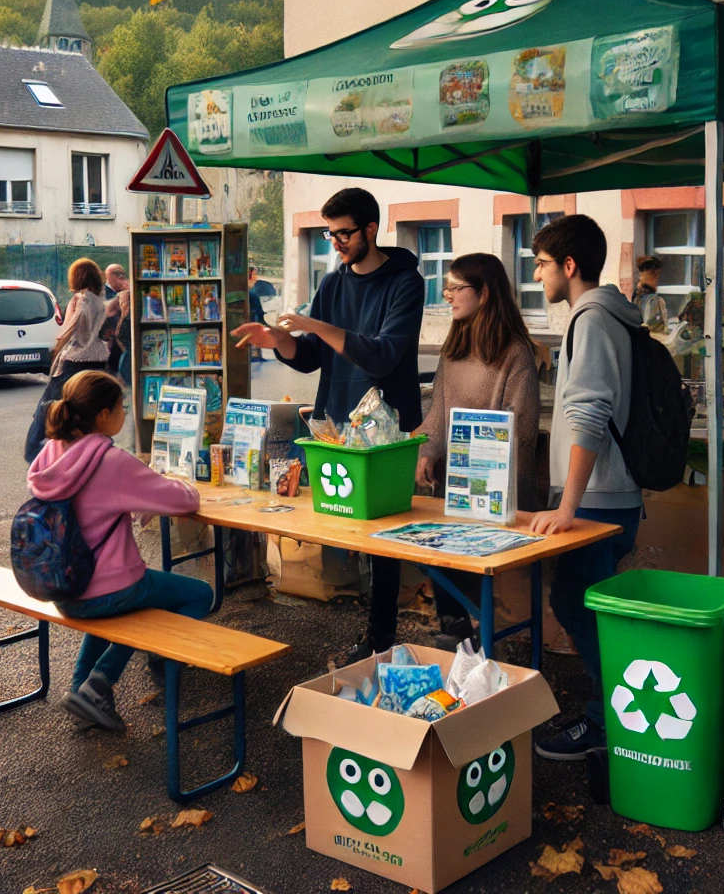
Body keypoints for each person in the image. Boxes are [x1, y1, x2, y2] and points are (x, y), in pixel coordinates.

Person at [230, 187, 425, 660]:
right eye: (329, 233)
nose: (335, 243)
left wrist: (314, 326)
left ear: (371, 230)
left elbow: (381, 354)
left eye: (343, 234)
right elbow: (311, 356)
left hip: (386, 429)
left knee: (384, 536)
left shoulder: (405, 283)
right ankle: (369, 621)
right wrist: (277, 340)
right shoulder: (334, 283)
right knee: (345, 526)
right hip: (337, 424)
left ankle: (383, 635)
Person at [26, 371, 209, 731]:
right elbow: (182, 498)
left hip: (63, 585)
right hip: (111, 589)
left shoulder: (50, 455)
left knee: (111, 607)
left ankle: (83, 692)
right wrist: (178, 482)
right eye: (121, 406)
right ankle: (108, 678)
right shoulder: (112, 462)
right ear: (102, 416)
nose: (125, 412)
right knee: (198, 595)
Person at [526, 214, 645, 761]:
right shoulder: (611, 316)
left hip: (596, 498)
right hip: (609, 495)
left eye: (544, 264)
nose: (538, 274)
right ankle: (614, 719)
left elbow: (589, 414)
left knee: (575, 603)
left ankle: (607, 725)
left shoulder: (592, 320)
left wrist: (567, 505)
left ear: (569, 266)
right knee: (583, 604)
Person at [412, 253, 541, 648]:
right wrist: (428, 450)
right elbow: (439, 409)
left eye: (456, 287)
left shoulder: (515, 353)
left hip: (496, 490)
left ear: (484, 293)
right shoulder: (454, 347)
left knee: (471, 570)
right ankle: (457, 636)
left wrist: (482, 461)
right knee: (439, 559)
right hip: (453, 485)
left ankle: (477, 645)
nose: (448, 296)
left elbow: (521, 429)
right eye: (446, 287)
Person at [25, 258, 112, 464]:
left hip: (74, 360)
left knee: (46, 410)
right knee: (84, 413)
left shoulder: (79, 299)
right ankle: (79, 459)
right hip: (98, 360)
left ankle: (39, 459)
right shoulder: (99, 300)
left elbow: (74, 326)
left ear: (76, 277)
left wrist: (62, 336)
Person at [100, 262, 133, 384]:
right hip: (110, 342)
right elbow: (107, 311)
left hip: (122, 342)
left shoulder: (127, 289)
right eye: (119, 275)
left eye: (122, 275)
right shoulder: (104, 292)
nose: (122, 278)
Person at [246, 265, 277, 362]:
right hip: (253, 314)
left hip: (256, 314)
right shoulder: (252, 287)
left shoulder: (257, 286)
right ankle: (255, 354)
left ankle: (257, 353)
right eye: (253, 272)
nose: (254, 274)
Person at [633, 256, 669, 334]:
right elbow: (648, 325)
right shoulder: (652, 299)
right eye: (655, 275)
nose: (657, 279)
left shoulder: (642, 296)